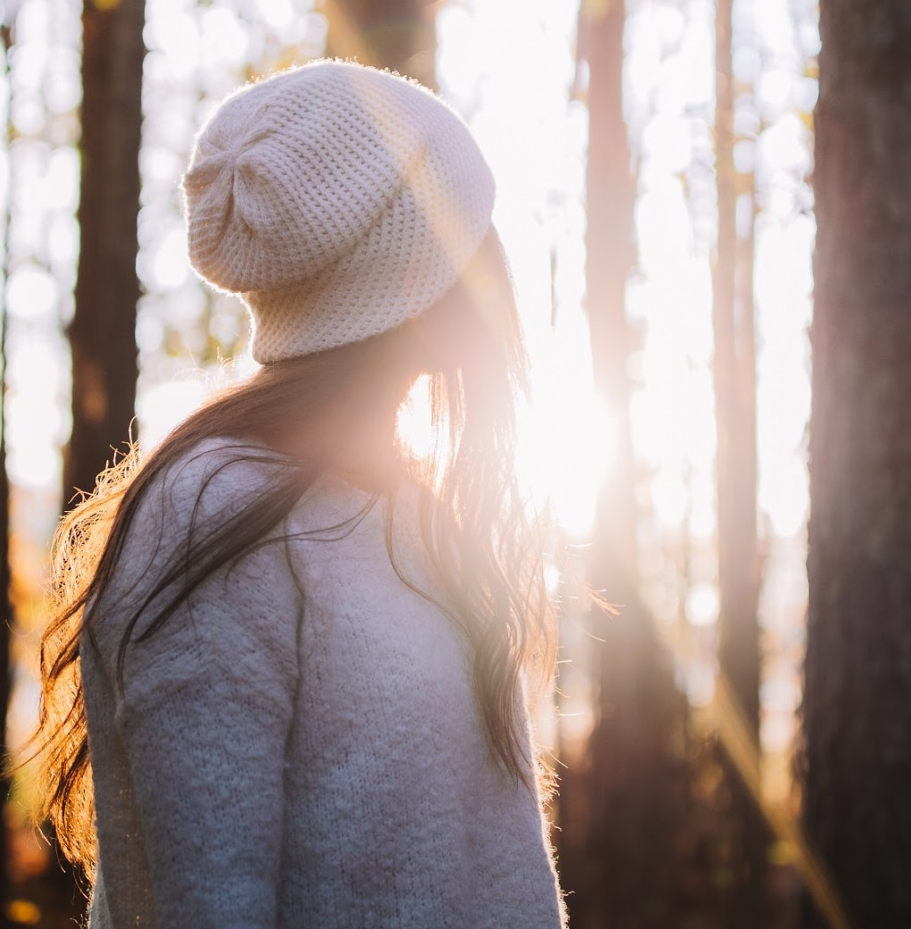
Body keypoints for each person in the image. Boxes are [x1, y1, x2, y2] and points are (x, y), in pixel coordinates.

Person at [30, 60, 569, 928]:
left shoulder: (413, 516)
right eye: (475, 233)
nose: (499, 263)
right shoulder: (212, 522)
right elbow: (206, 905)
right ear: (422, 290)